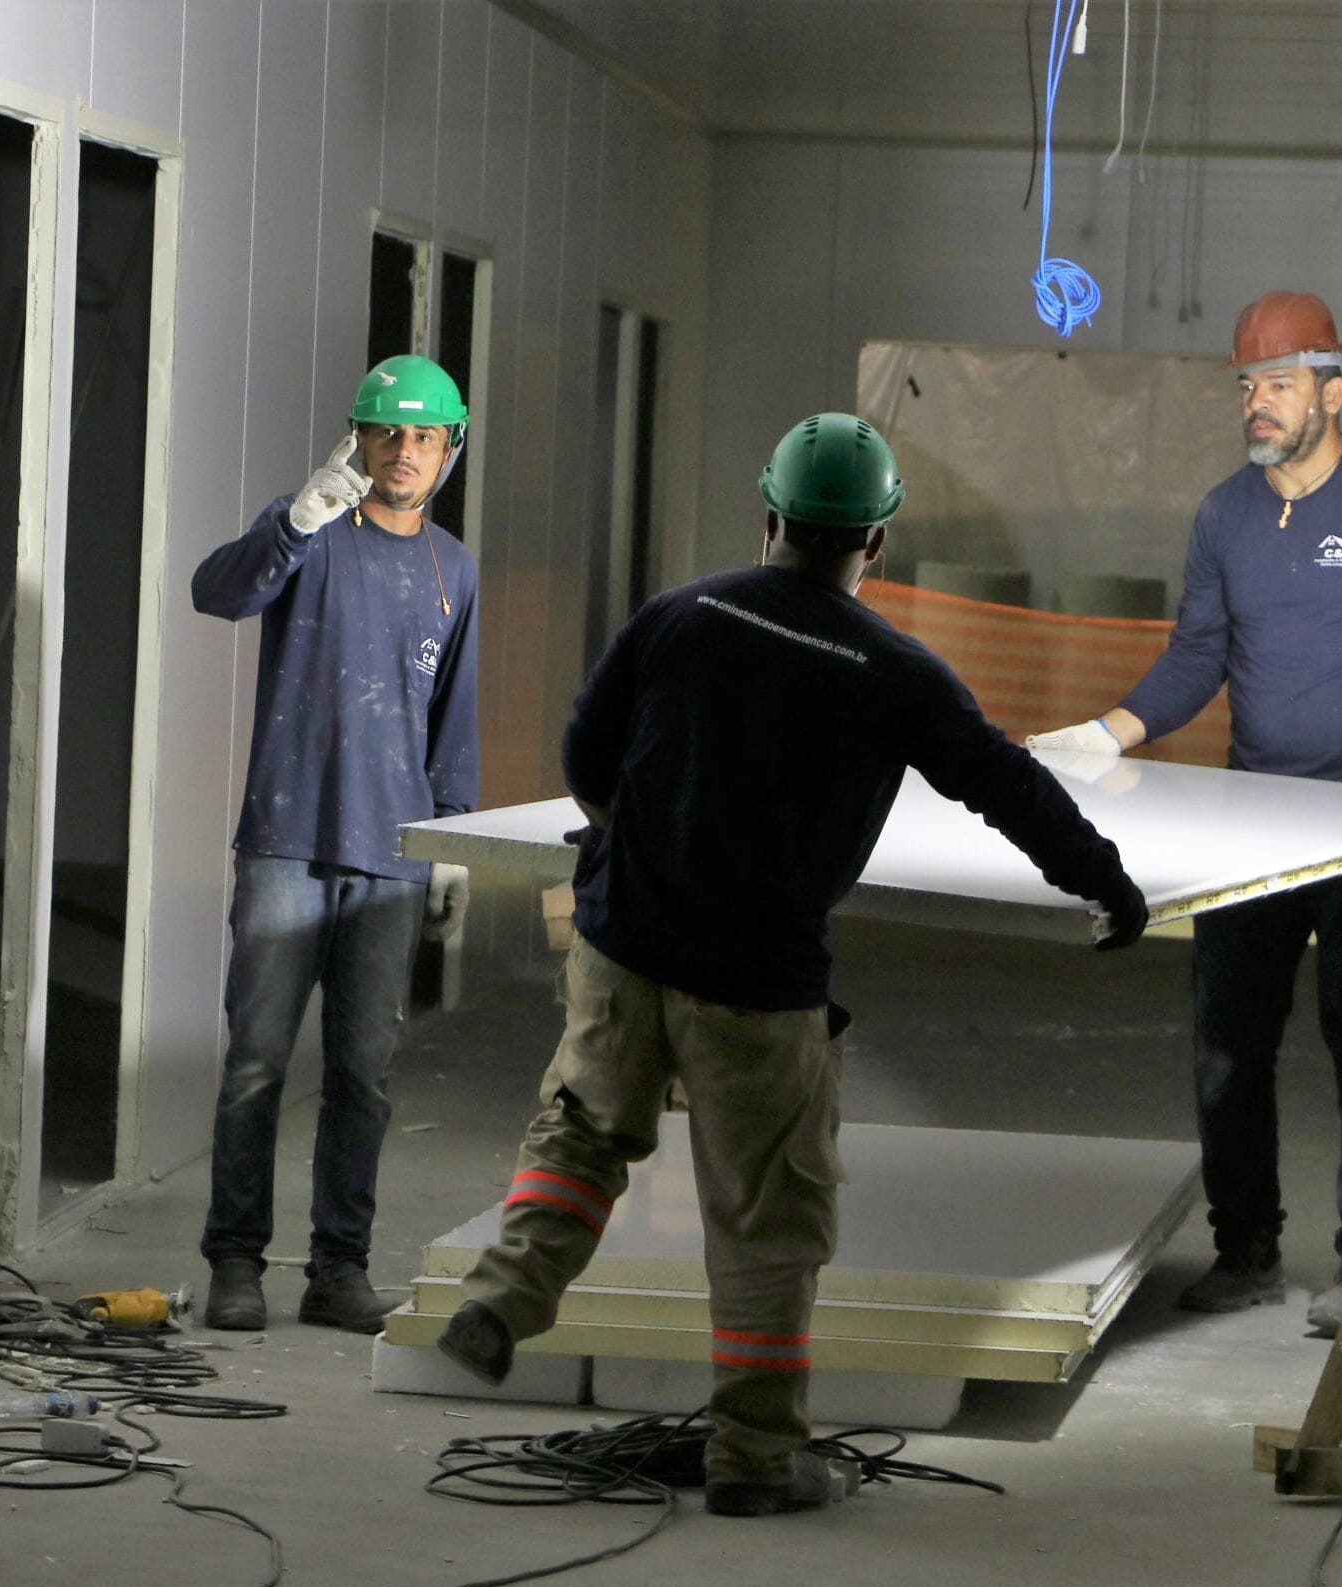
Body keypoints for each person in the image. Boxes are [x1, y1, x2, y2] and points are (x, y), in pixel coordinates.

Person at [431, 413, 1147, 1516]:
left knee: (581, 1131)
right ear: (878, 542)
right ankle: (754, 1464)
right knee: (767, 1218)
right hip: (756, 985)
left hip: (622, 948)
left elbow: (586, 749)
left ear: (767, 518)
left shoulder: (682, 614)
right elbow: (1005, 784)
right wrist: (1103, 877)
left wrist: (629, 835)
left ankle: (504, 1299)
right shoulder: (897, 670)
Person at [1028, 290, 1342, 1337]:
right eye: (1247, 385)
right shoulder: (1225, 516)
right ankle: (1244, 1247)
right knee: (1226, 1039)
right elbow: (1197, 656)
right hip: (1248, 824)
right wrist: (1106, 732)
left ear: (1331, 391)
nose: (1257, 404)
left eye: (1280, 384)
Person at [187, 355, 479, 1336]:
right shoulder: (309, 534)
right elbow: (216, 595)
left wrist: (455, 847)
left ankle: (336, 1272)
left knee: (363, 1077)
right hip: (286, 840)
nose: (404, 453)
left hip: (391, 858)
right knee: (257, 1063)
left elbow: (455, 721)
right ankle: (235, 1265)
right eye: (387, 433)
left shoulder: (455, 569)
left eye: (424, 437)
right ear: (355, 440)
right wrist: (288, 523)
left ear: (450, 451)